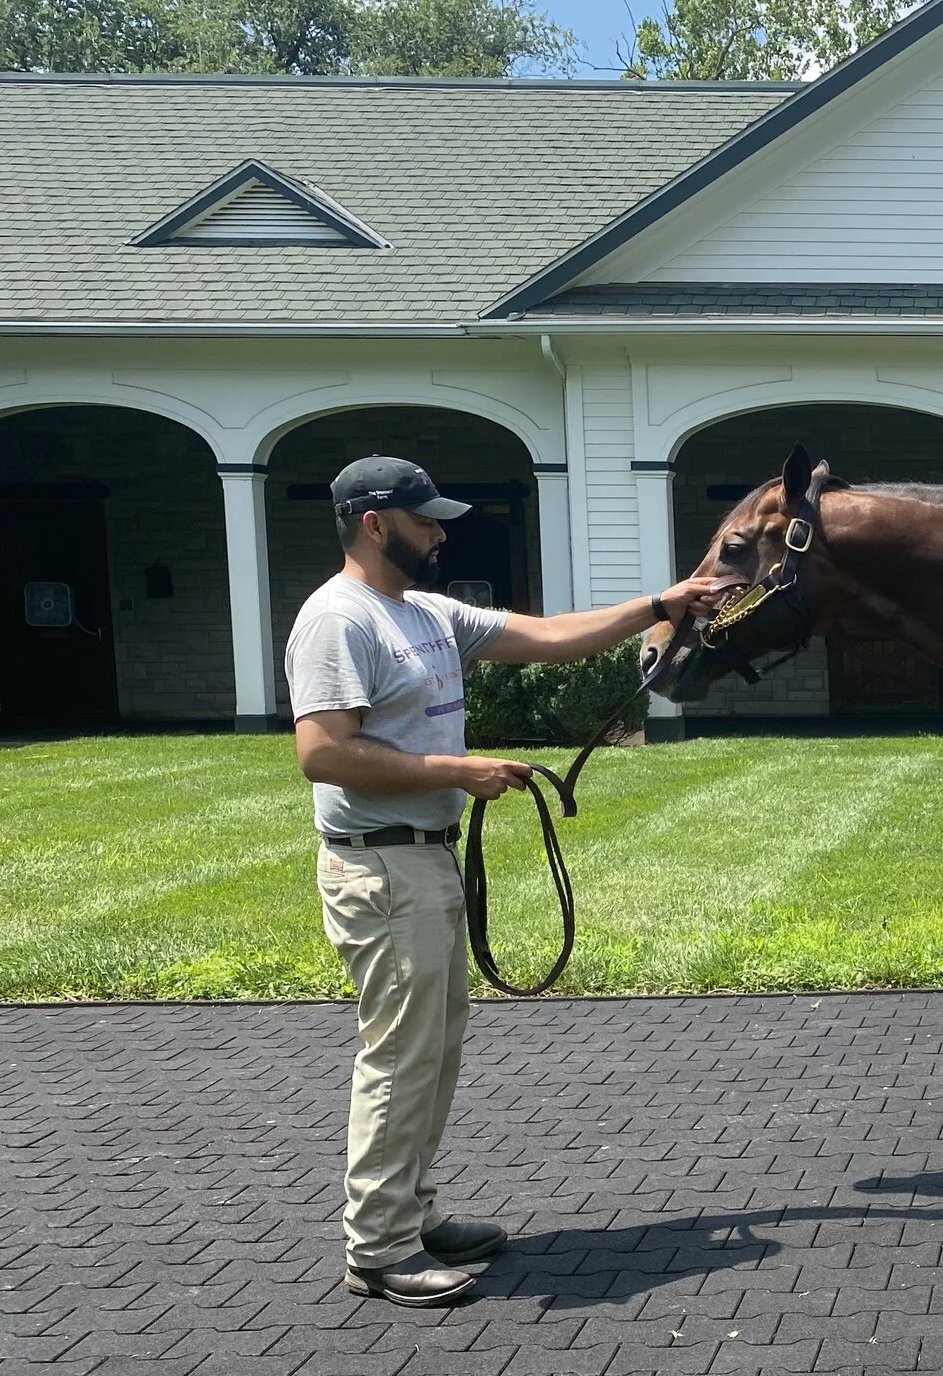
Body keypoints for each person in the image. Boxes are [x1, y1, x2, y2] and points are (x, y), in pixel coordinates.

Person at [284, 455, 735, 1310]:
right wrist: (456, 767)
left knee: (435, 1050)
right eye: (426, 520)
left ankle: (409, 1214)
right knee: (400, 1054)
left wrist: (658, 605)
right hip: (379, 863)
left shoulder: (423, 611)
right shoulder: (338, 620)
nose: (441, 531)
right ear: (375, 523)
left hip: (423, 857)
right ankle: (378, 1247)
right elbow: (322, 751)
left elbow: (546, 637)